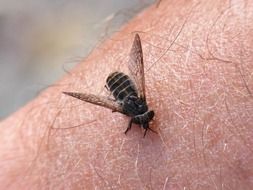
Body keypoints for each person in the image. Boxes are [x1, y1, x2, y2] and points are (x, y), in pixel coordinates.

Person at [0, 0, 253, 189]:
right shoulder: (132, 109)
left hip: (124, 86)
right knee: (115, 102)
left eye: (146, 118)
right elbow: (118, 101)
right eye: (145, 119)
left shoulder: (138, 106)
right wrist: (129, 118)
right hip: (119, 84)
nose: (147, 119)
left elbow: (133, 89)